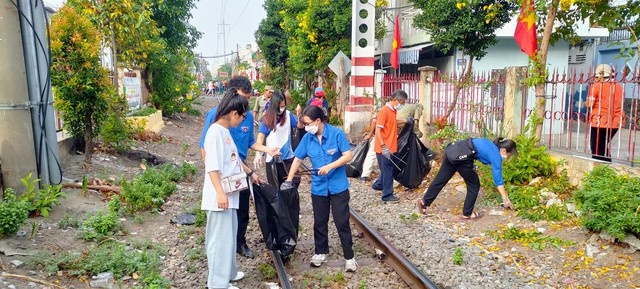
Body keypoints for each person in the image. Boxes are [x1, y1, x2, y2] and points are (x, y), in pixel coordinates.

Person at [200, 76, 279, 259]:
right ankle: (224, 255)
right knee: (222, 220)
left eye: (248, 99)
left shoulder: (247, 115)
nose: (246, 104)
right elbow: (206, 149)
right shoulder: (216, 116)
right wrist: (214, 179)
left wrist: (268, 150)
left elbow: (250, 142)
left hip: (238, 171)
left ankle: (239, 242)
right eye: (244, 98)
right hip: (223, 173)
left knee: (241, 209)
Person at [281, 105, 358, 272]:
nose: (307, 127)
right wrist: (289, 179)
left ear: (318, 121)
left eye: (308, 123)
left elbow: (348, 156)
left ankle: (349, 256)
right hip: (319, 188)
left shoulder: (336, 134)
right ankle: (320, 252)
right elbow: (297, 159)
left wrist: (330, 166)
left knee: (341, 221)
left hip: (338, 187)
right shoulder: (308, 138)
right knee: (320, 221)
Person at [201, 93, 252, 289]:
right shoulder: (215, 132)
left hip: (230, 195)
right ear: (233, 113)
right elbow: (212, 166)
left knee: (228, 237)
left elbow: (234, 160)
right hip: (220, 197)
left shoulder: (225, 131)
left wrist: (250, 173)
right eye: (242, 116)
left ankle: (228, 273)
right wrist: (220, 193)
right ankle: (218, 284)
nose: (242, 121)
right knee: (219, 241)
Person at [417, 137, 517, 219]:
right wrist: (505, 199)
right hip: (461, 160)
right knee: (474, 185)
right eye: (509, 154)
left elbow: (472, 148)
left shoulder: (489, 143)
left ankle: (424, 202)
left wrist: (472, 165)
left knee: (441, 179)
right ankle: (468, 213)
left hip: (453, 152)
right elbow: (498, 180)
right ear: (504, 150)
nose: (507, 157)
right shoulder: (496, 156)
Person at [253, 91, 304, 187]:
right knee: (276, 189)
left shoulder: (288, 115)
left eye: (283, 106)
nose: (282, 109)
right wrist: (258, 154)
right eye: (280, 106)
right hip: (272, 159)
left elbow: (299, 126)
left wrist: (299, 115)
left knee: (291, 187)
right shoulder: (267, 118)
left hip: (288, 158)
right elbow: (261, 136)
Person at [372, 90, 409, 203]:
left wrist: (406, 121)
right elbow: (378, 130)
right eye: (401, 102)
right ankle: (387, 195)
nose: (402, 105)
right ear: (394, 100)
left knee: (387, 169)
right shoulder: (384, 111)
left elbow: (392, 123)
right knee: (388, 171)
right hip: (384, 148)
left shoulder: (392, 111)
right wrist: (383, 146)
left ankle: (378, 185)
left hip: (391, 146)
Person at [586, 64, 625, 162]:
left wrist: (585, 102)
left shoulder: (596, 86)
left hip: (600, 121)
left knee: (596, 148)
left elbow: (589, 104)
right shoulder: (619, 87)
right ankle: (606, 167)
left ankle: (600, 168)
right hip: (615, 122)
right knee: (603, 146)